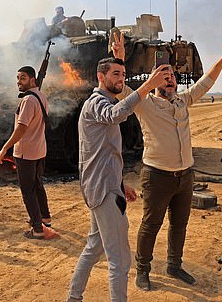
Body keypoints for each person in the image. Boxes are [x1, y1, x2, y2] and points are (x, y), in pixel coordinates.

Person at [112, 35, 222, 290]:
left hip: (185, 176)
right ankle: (143, 270)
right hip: (157, 176)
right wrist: (120, 58)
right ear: (154, 82)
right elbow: (122, 90)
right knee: (150, 225)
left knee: (179, 224)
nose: (169, 79)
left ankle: (174, 266)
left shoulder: (183, 100)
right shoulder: (144, 104)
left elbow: (207, 82)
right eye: (163, 76)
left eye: (171, 76)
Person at [67, 58, 168, 302]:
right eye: (115, 74)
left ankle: (73, 297)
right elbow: (115, 115)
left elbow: (103, 153)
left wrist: (120, 183)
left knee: (94, 248)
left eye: (123, 74)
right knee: (120, 259)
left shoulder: (103, 102)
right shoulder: (96, 103)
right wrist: (147, 86)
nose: (121, 79)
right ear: (100, 77)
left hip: (105, 186)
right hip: (103, 190)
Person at [0, 66, 51, 239]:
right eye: (18, 78)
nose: (19, 82)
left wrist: (5, 147)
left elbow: (21, 128)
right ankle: (45, 217)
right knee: (37, 185)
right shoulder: (41, 96)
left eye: (23, 78)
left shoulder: (28, 100)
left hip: (26, 152)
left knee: (28, 190)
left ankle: (37, 229)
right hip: (39, 149)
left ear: (32, 80)